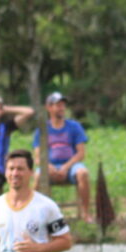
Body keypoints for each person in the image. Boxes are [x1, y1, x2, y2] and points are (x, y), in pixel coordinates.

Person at [32, 92, 91, 222]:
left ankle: (86, 213)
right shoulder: (42, 129)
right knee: (37, 176)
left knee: (83, 173)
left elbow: (81, 153)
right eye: (58, 105)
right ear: (49, 108)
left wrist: (65, 167)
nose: (62, 108)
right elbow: (37, 157)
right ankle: (36, 214)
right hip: (49, 166)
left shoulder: (74, 127)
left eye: (63, 105)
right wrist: (50, 167)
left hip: (70, 165)